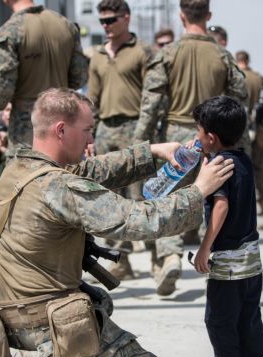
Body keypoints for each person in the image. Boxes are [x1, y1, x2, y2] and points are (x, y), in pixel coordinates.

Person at [0, 88, 234, 357]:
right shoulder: (60, 188)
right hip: (38, 319)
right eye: (87, 130)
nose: (92, 138)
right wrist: (198, 191)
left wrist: (153, 152)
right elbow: (136, 220)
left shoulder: (19, 168)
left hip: (9, 314)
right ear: (61, 130)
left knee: (99, 301)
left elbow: (92, 171)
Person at [134, 0, 248, 295]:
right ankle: (211, 259)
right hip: (216, 138)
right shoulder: (222, 55)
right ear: (208, 16)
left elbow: (152, 102)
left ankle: (170, 254)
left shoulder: (168, 54)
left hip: (176, 137)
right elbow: (240, 96)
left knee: (167, 197)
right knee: (211, 197)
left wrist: (141, 143)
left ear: (182, 16)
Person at [188, 96, 263, 357]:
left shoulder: (218, 163)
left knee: (219, 319)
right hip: (251, 256)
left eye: (199, 131)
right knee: (248, 316)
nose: (197, 136)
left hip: (227, 259)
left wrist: (204, 248)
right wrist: (204, 158)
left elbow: (221, 205)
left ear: (211, 137)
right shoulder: (242, 159)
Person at [87, 0, 152, 279]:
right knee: (110, 198)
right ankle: (121, 260)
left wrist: (145, 133)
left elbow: (150, 97)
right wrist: (88, 133)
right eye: (102, 21)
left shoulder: (142, 52)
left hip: (134, 126)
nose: (106, 26)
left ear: (126, 18)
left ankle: (159, 258)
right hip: (105, 129)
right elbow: (91, 99)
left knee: (138, 197)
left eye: (111, 20)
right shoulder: (98, 55)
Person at [0, 0, 88, 158]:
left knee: (25, 179)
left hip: (28, 130)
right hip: (63, 122)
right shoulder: (65, 25)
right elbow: (79, 78)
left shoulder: (10, 31)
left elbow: (1, 94)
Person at [235, 50, 263, 213]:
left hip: (239, 129)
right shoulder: (259, 78)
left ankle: (245, 201)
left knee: (240, 164)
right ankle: (260, 201)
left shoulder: (235, 77)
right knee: (258, 166)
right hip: (257, 130)